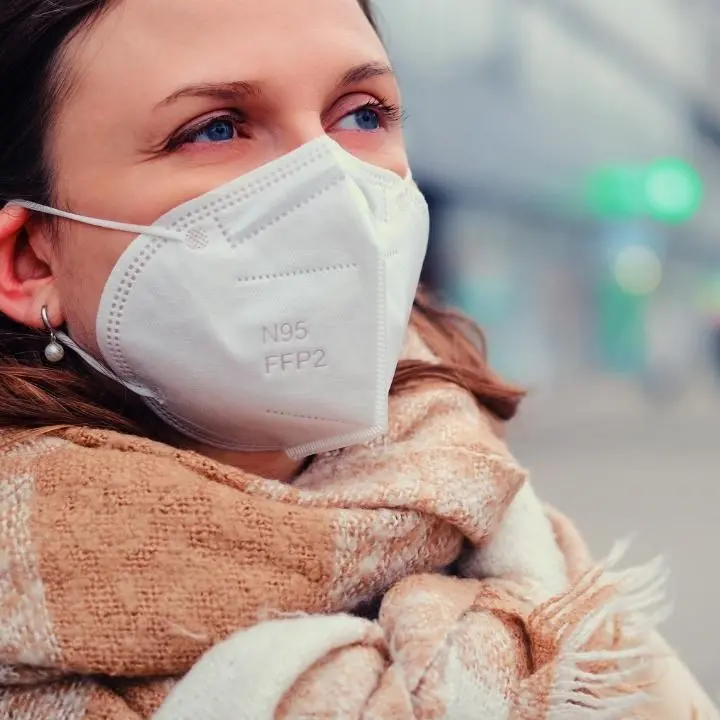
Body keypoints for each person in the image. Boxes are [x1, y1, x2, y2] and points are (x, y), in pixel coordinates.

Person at [0, 1, 716, 718]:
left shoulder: (517, 544)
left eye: (362, 114)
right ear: (30, 260)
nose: (332, 190)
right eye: (214, 129)